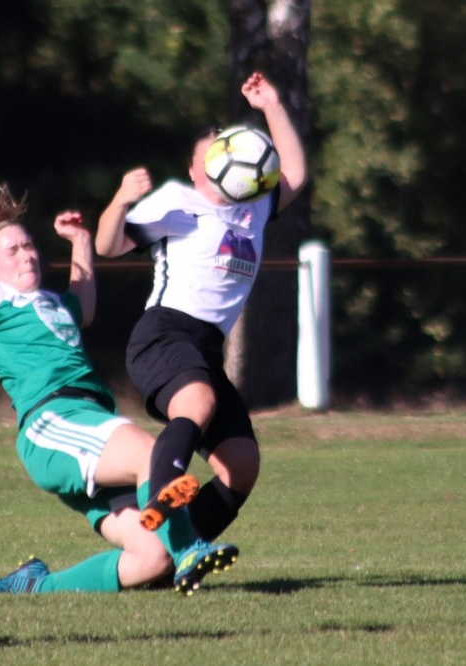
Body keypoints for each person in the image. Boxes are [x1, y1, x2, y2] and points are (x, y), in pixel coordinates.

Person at [0, 183, 238, 597]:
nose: (27, 253)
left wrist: (82, 242)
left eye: (29, 246)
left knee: (152, 560)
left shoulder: (50, 302)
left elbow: (84, 307)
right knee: (150, 456)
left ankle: (34, 587)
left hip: (90, 423)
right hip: (53, 423)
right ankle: (191, 547)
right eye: (12, 250)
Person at [94, 71, 308, 543]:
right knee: (199, 402)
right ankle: (161, 498)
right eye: (210, 157)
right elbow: (107, 246)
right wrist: (119, 201)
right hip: (164, 335)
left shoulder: (252, 209)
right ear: (195, 170)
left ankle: (180, 550)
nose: (221, 164)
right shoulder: (177, 202)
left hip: (207, 348)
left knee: (242, 465)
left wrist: (271, 105)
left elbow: (295, 172)